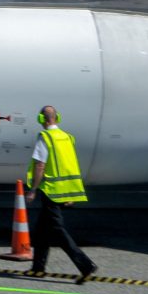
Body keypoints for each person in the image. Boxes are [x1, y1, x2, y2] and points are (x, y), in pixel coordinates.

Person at [26, 105, 97, 283]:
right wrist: (70, 194)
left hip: (51, 191)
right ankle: (38, 268)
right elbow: (70, 165)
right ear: (57, 117)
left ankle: (85, 265)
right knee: (42, 230)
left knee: (57, 230)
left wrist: (33, 189)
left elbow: (40, 165)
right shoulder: (67, 137)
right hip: (65, 189)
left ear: (41, 119)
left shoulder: (45, 137)